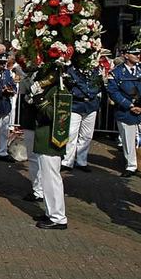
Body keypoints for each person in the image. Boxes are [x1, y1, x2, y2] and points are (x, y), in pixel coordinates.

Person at [28, 72, 69, 229]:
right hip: (44, 139)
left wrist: (39, 98)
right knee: (46, 179)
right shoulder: (51, 90)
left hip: (51, 141)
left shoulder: (61, 90)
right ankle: (51, 211)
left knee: (52, 179)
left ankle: (58, 217)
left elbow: (55, 115)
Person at [105, 45, 141, 178]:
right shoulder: (116, 72)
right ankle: (131, 166)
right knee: (128, 140)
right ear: (126, 55)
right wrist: (130, 106)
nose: (138, 56)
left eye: (139, 54)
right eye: (135, 54)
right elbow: (113, 92)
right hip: (126, 111)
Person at [61, 64, 101, 172]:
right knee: (71, 133)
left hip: (91, 105)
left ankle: (82, 161)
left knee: (87, 135)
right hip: (76, 104)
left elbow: (98, 83)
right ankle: (67, 161)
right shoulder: (71, 69)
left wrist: (92, 93)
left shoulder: (95, 68)